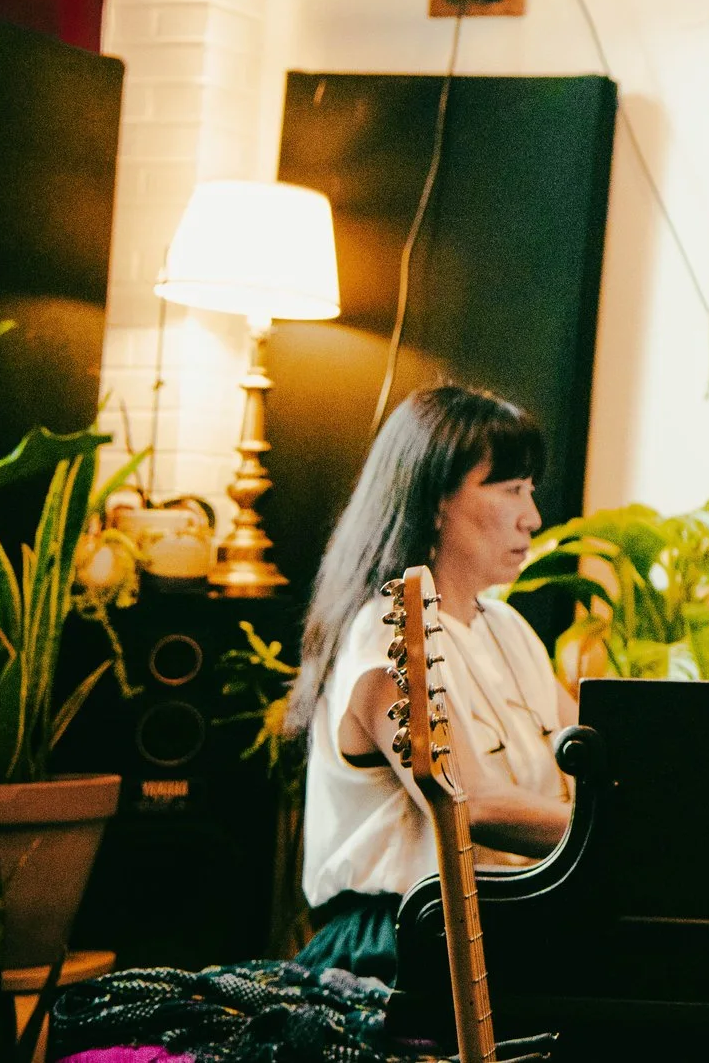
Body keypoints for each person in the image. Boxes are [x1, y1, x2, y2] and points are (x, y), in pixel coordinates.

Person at [288, 385, 574, 983]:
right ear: (436, 500)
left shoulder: (508, 628)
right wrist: (620, 838)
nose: (532, 516)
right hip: (400, 939)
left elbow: (589, 750)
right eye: (510, 489)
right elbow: (471, 802)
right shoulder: (387, 631)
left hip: (502, 918)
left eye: (531, 489)